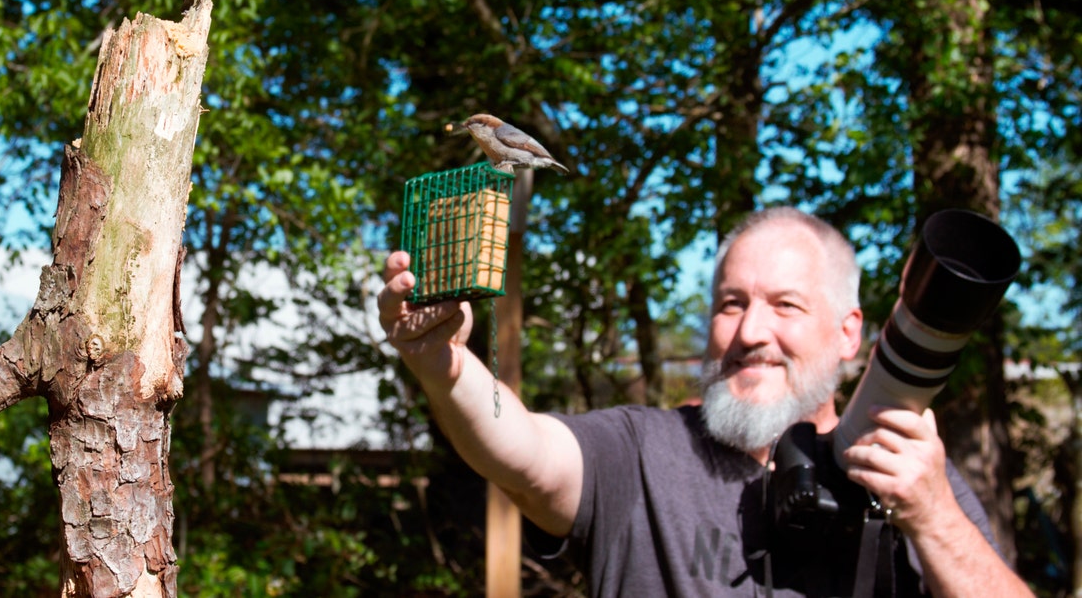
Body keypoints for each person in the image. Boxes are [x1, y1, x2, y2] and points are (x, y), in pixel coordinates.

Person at [376, 206, 1031, 597]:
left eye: (785, 305)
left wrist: (935, 517)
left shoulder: (917, 479)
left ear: (849, 331)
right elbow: (517, 445)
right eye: (731, 303)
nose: (750, 332)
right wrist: (443, 365)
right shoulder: (638, 451)